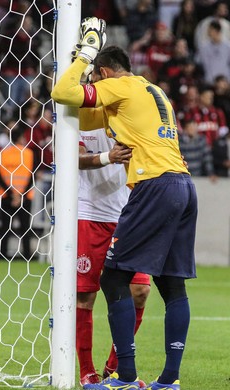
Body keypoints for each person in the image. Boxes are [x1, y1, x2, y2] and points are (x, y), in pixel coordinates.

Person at [51, 18, 197, 390]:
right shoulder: (153, 91)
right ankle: (169, 380)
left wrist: (83, 54)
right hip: (183, 185)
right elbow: (81, 113)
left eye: (97, 79)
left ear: (104, 74)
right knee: (172, 286)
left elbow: (62, 93)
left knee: (113, 278)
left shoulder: (119, 88)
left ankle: (124, 376)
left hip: (153, 186)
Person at [76, 128, 151, 386]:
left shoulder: (128, 115)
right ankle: (87, 371)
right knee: (85, 295)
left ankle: (115, 367)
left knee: (140, 290)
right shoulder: (79, 115)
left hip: (127, 217)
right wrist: (109, 156)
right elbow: (73, 159)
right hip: (90, 214)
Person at [0, 127, 35, 260]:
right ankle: (27, 256)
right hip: (25, 196)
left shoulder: (2, 153)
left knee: (5, 228)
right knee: (25, 228)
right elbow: (32, 176)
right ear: (21, 138)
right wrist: (20, 195)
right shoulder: (29, 153)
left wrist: (12, 194)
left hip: (6, 196)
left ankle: (2, 255)